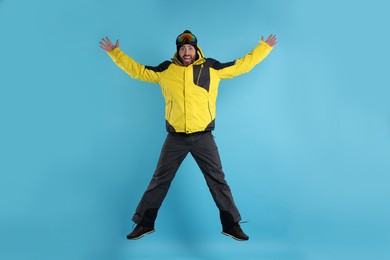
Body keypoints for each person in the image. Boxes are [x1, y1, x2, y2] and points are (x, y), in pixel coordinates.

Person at [99, 30, 277, 241]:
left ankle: (231, 225)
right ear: (178, 51)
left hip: (204, 137)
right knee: (159, 181)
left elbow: (242, 65)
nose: (186, 52)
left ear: (196, 49)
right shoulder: (167, 70)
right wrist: (116, 53)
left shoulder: (212, 68)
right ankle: (144, 224)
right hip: (176, 138)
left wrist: (263, 48)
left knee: (217, 181)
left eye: (190, 48)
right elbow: (138, 71)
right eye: (182, 48)